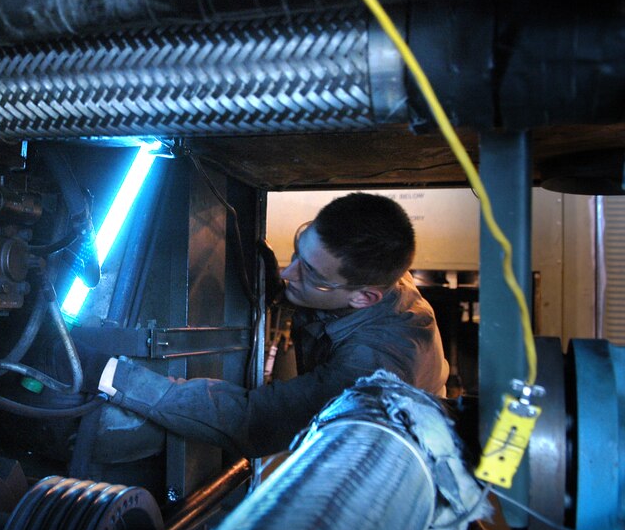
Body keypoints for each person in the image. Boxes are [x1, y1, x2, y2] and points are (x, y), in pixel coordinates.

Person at [76, 193, 449, 458]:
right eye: (299, 252)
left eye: (311, 273)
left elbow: (256, 422)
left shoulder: (373, 367)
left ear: (364, 298)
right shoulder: (373, 273)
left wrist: (112, 375)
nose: (288, 273)